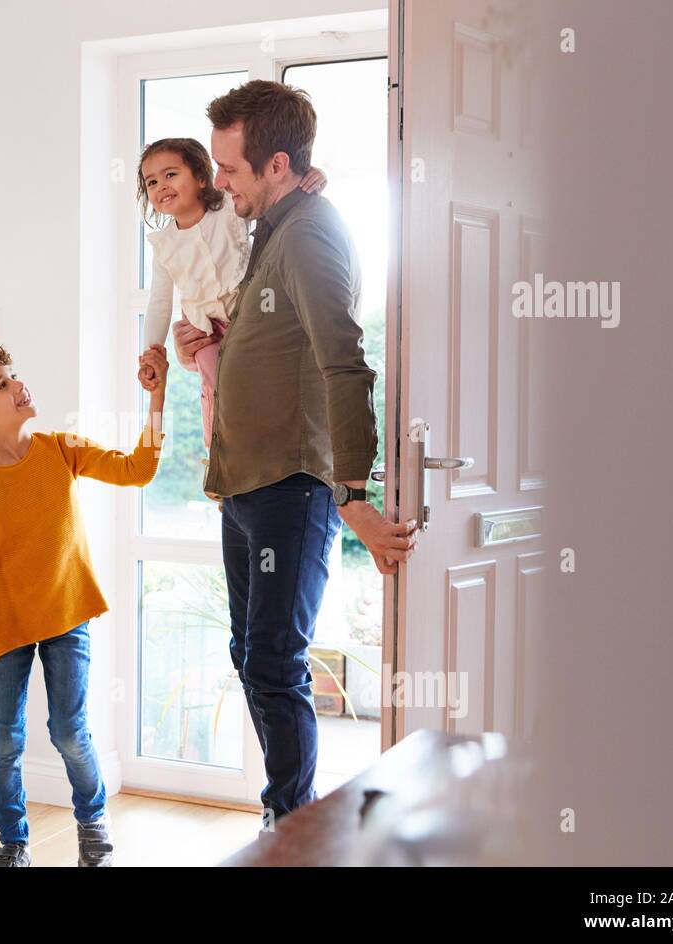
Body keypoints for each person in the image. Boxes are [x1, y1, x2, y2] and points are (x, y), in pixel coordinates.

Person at [170, 79, 419, 824]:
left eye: (231, 170)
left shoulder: (309, 232)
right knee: (253, 659)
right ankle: (287, 816)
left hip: (289, 487)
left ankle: (292, 827)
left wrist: (355, 495)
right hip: (245, 488)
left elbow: (345, 361)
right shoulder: (275, 227)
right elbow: (271, 340)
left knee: (273, 665)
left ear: (277, 165)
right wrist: (211, 345)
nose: (219, 184)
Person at [0, 342, 169, 866]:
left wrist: (156, 399)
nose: (18, 384)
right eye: (2, 384)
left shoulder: (62, 447)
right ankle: (14, 844)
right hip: (5, 628)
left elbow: (136, 470)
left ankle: (93, 825)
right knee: (5, 742)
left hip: (66, 618)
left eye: (13, 375)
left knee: (68, 732)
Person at [136, 137, 327, 454]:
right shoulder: (164, 244)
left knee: (261, 382)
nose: (161, 186)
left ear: (201, 177)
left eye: (171, 175)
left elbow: (274, 202)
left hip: (252, 319)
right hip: (208, 331)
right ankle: (219, 455)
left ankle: (273, 440)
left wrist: (310, 178)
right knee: (216, 386)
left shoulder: (228, 208)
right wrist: (151, 351)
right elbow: (158, 303)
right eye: (151, 182)